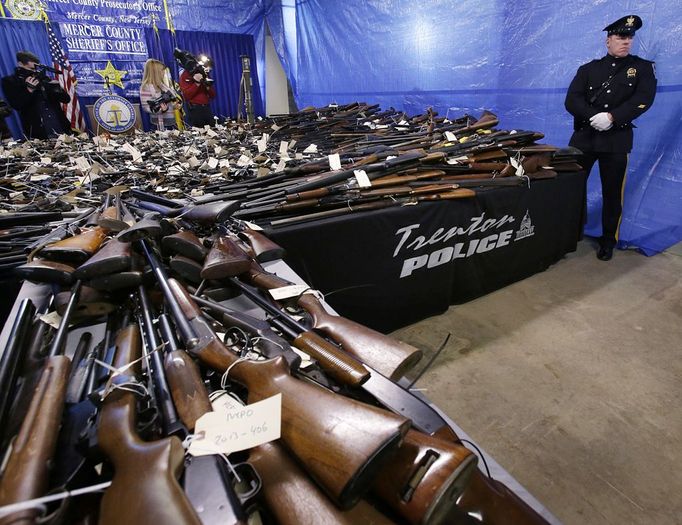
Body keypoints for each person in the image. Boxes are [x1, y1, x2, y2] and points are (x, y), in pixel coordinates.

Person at [565, 15, 657, 261]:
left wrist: (613, 117)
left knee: (612, 193)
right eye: (620, 37)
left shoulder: (643, 68)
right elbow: (572, 100)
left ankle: (608, 240)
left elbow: (643, 99)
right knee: (570, 188)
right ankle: (567, 234)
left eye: (629, 37)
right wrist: (594, 116)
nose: (626, 42)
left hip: (616, 140)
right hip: (584, 138)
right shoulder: (588, 69)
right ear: (608, 41)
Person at [1, 50, 71, 139]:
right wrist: (29, 90)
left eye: (36, 69)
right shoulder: (10, 81)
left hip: (61, 127)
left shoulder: (44, 78)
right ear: (20, 64)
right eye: (31, 69)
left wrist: (57, 88)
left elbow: (66, 99)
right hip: (38, 132)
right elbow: (16, 105)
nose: (34, 71)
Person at [139, 59, 181, 131]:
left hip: (171, 122)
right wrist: (160, 110)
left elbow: (171, 99)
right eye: (162, 71)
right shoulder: (146, 87)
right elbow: (146, 107)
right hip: (159, 124)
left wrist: (174, 105)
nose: (163, 73)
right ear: (156, 72)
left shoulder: (162, 85)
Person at [179, 55, 216, 127]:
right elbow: (186, 96)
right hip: (194, 109)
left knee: (212, 129)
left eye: (209, 70)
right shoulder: (186, 74)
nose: (208, 71)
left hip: (206, 108)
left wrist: (208, 87)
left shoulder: (205, 75)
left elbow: (212, 95)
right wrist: (197, 83)